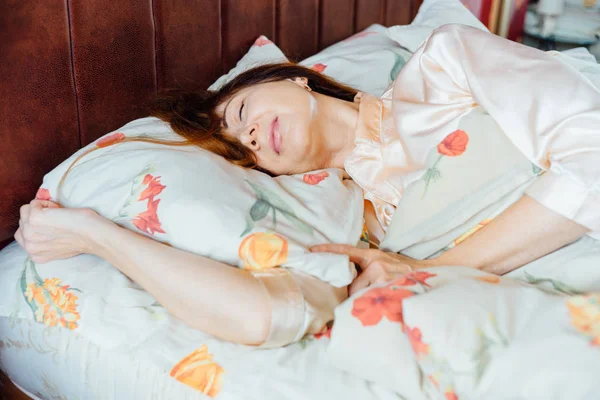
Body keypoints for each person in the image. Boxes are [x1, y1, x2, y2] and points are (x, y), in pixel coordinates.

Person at [15, 25, 598, 347]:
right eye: (239, 150)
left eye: (240, 109)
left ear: (296, 77)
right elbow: (264, 318)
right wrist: (94, 235)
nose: (246, 134)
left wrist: (441, 269)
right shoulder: (355, 220)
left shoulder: (446, 64)